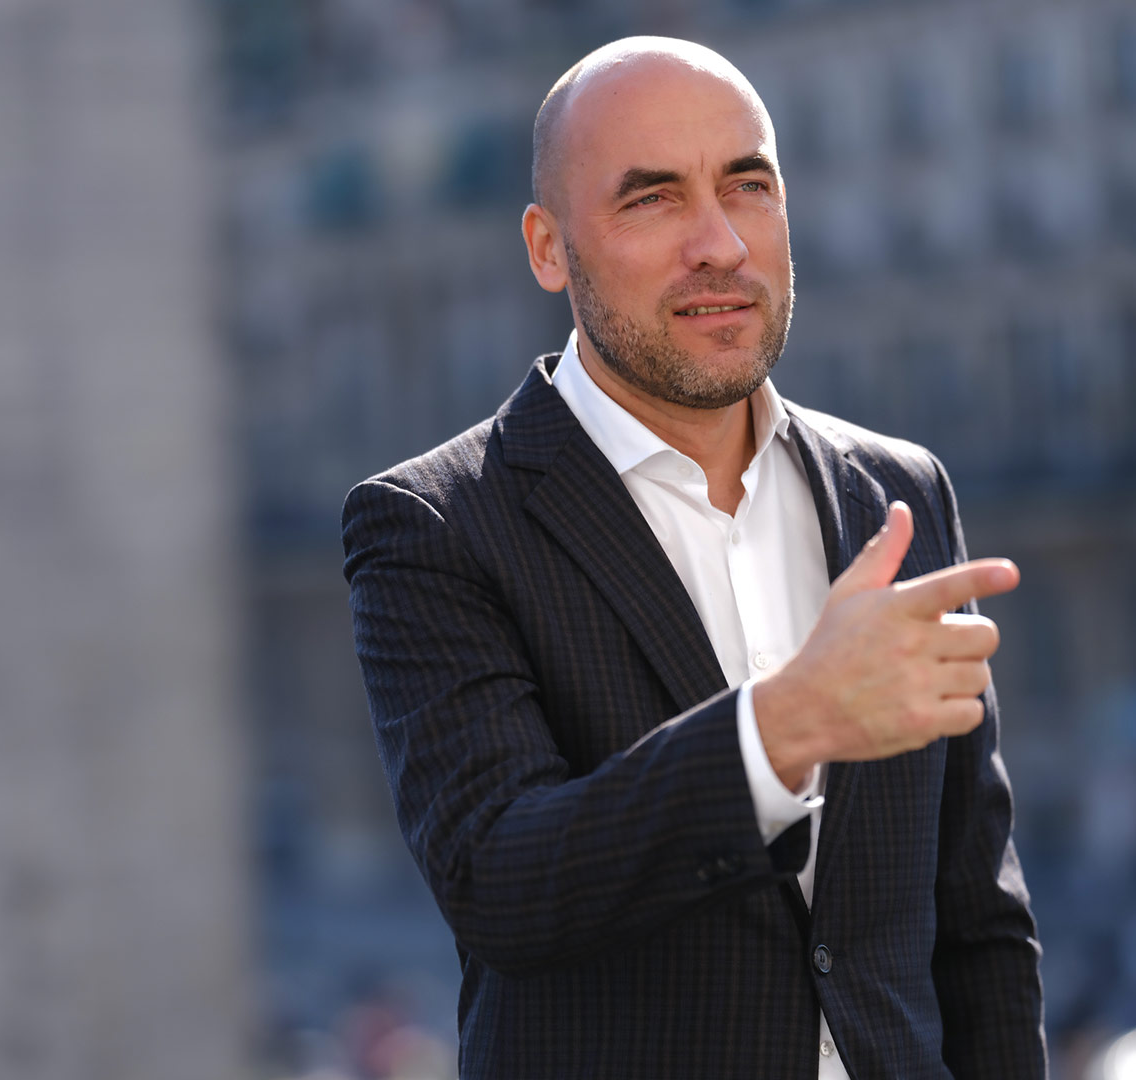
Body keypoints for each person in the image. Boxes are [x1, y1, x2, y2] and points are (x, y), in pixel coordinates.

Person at [341, 36, 1045, 1078]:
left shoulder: (897, 493)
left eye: (748, 187)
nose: (719, 243)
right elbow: (500, 880)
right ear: (548, 248)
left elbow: (979, 926)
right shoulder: (434, 522)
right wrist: (784, 726)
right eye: (653, 199)